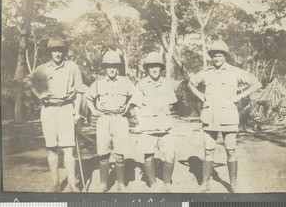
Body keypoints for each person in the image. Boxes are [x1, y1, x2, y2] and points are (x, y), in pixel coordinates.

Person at [187, 40, 262, 193]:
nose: (217, 58)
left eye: (220, 55)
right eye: (214, 56)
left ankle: (233, 184)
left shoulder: (235, 72)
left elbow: (257, 84)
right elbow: (190, 84)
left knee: (231, 150)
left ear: (225, 56)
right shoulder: (206, 72)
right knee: (208, 151)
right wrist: (202, 97)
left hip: (228, 116)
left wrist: (239, 96)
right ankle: (205, 183)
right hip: (209, 116)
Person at [24, 36, 84, 192]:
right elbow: (27, 81)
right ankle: (56, 183)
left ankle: (72, 184)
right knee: (51, 148)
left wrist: (76, 112)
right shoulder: (43, 68)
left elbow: (79, 90)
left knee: (68, 148)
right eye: (53, 50)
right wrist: (40, 95)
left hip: (66, 109)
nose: (57, 53)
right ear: (49, 52)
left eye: (60, 50)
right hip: (49, 110)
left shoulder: (72, 66)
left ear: (64, 51)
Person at [86, 50, 134, 192]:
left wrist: (128, 106)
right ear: (105, 67)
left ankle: (120, 183)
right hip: (104, 120)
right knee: (104, 153)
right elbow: (88, 97)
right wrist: (94, 111)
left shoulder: (126, 82)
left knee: (119, 154)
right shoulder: (98, 83)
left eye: (115, 66)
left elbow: (135, 96)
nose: (112, 69)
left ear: (118, 67)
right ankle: (103, 184)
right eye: (109, 66)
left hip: (120, 119)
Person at [129, 51, 177, 192]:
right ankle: (153, 183)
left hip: (165, 126)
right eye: (151, 66)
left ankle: (167, 183)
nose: (155, 69)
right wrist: (141, 122)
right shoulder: (141, 84)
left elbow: (172, 104)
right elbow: (135, 105)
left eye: (157, 66)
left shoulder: (166, 84)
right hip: (148, 125)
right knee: (149, 155)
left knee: (170, 155)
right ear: (147, 68)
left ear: (161, 68)